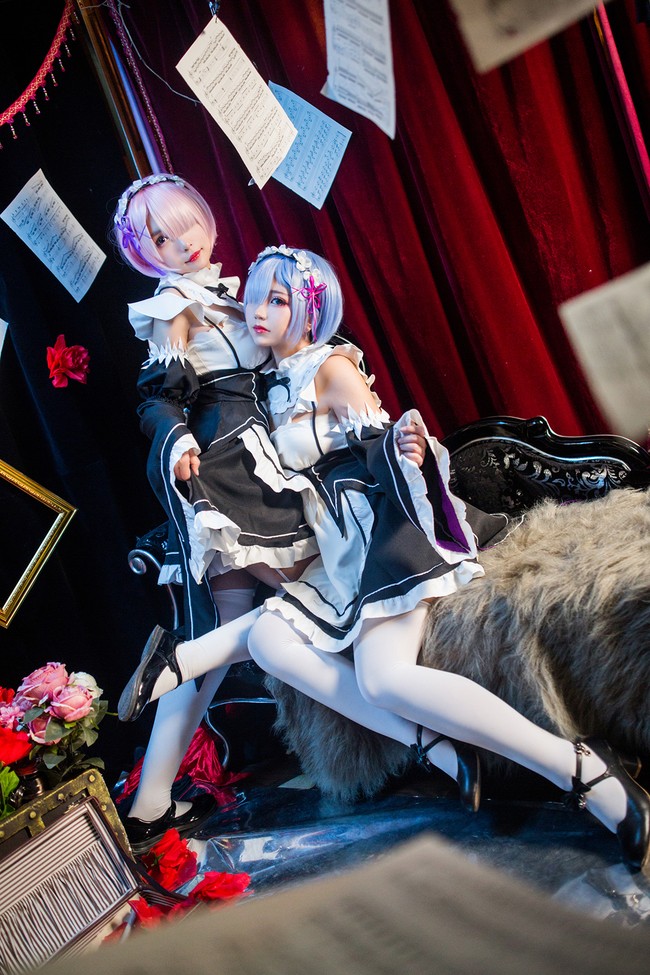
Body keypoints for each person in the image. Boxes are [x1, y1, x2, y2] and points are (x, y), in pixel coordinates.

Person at [118, 245, 650, 871]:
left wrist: (403, 444)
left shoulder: (331, 364)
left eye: (278, 299)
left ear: (311, 310)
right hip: (341, 546)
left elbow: (377, 435)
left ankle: (583, 771)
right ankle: (443, 749)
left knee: (382, 678)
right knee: (269, 640)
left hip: (379, 529)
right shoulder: (267, 387)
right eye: (255, 297)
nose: (258, 311)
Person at [112, 180, 317, 852]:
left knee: (222, 637)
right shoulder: (174, 307)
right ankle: (417, 744)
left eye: (186, 225)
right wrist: (176, 439)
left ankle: (150, 801)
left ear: (205, 218)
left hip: (266, 453)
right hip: (231, 468)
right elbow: (157, 399)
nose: (181, 243)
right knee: (314, 600)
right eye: (160, 238)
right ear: (144, 253)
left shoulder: (231, 291)